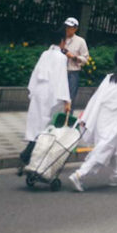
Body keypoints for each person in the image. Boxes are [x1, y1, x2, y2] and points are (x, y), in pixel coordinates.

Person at [69, 47, 117, 191]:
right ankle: (79, 174)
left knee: (116, 145)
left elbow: (97, 98)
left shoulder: (109, 77)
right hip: (113, 120)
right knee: (103, 149)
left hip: (101, 117)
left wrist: (87, 115)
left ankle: (116, 174)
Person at [20, 29, 71, 167]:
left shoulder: (45, 54)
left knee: (36, 123)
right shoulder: (61, 57)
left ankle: (29, 153)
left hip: (38, 90)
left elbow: (35, 72)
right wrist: (67, 100)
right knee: (45, 125)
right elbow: (62, 79)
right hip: (50, 93)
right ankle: (31, 156)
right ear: (62, 41)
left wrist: (33, 90)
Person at [60, 17, 89, 106]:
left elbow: (85, 58)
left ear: (76, 29)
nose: (68, 29)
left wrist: (73, 57)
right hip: (60, 72)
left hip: (73, 73)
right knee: (58, 98)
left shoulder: (80, 41)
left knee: (70, 99)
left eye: (70, 27)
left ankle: (67, 119)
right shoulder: (61, 39)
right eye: (67, 27)